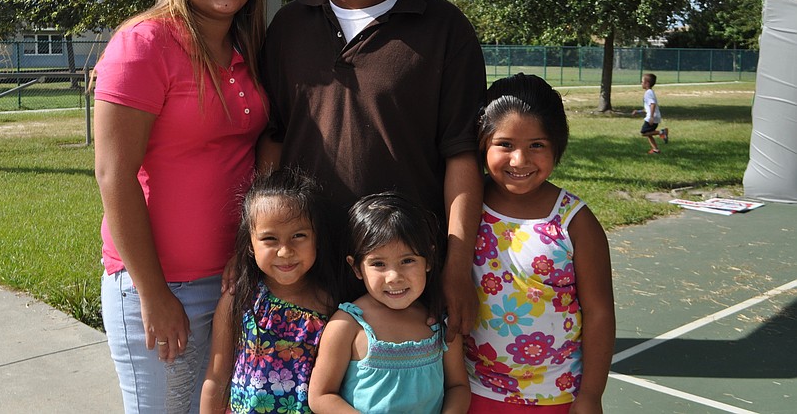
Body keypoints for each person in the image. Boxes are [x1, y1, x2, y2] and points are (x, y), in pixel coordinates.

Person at [259, 0, 486, 336]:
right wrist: (257, 247)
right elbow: (273, 140)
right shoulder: (288, 27)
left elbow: (462, 157)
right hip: (304, 275)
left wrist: (456, 264)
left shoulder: (447, 31)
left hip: (399, 281)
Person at [93, 0, 269, 413]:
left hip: (232, 281)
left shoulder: (244, 48)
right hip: (160, 283)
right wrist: (153, 294)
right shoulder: (143, 43)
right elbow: (113, 175)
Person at [465, 74, 615, 413]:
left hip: (556, 396)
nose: (520, 160)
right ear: (482, 143)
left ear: (557, 145)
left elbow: (599, 313)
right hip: (470, 389)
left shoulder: (576, 222)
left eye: (537, 145)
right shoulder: (467, 205)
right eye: (505, 144)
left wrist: (590, 396)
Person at [309, 192, 471, 413]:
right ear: (356, 267)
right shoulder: (347, 325)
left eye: (407, 260)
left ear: (429, 260)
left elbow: (458, 387)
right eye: (378, 264)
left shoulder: (439, 321)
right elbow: (321, 396)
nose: (394, 276)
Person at [201, 168, 336, 414]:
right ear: (250, 244)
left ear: (317, 237)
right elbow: (217, 379)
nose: (285, 251)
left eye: (298, 236)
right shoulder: (238, 300)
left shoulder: (331, 305)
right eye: (270, 239)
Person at [631, 73, 668, 154]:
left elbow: (652, 104)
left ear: (647, 83)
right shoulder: (650, 92)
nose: (641, 83)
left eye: (642, 82)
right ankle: (655, 150)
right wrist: (638, 111)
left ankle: (662, 132)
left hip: (652, 117)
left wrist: (651, 117)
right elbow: (647, 108)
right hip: (654, 116)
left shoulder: (648, 93)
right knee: (649, 134)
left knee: (644, 132)